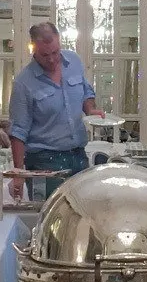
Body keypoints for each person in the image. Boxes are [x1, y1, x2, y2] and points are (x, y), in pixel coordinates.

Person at [8, 22, 104, 198]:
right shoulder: (24, 83)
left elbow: (86, 91)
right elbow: (17, 132)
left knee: (80, 218)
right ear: (33, 50)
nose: (52, 59)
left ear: (59, 42)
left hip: (78, 157)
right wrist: (18, 174)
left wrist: (90, 109)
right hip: (44, 163)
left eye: (55, 52)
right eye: (45, 55)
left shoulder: (74, 61)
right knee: (51, 219)